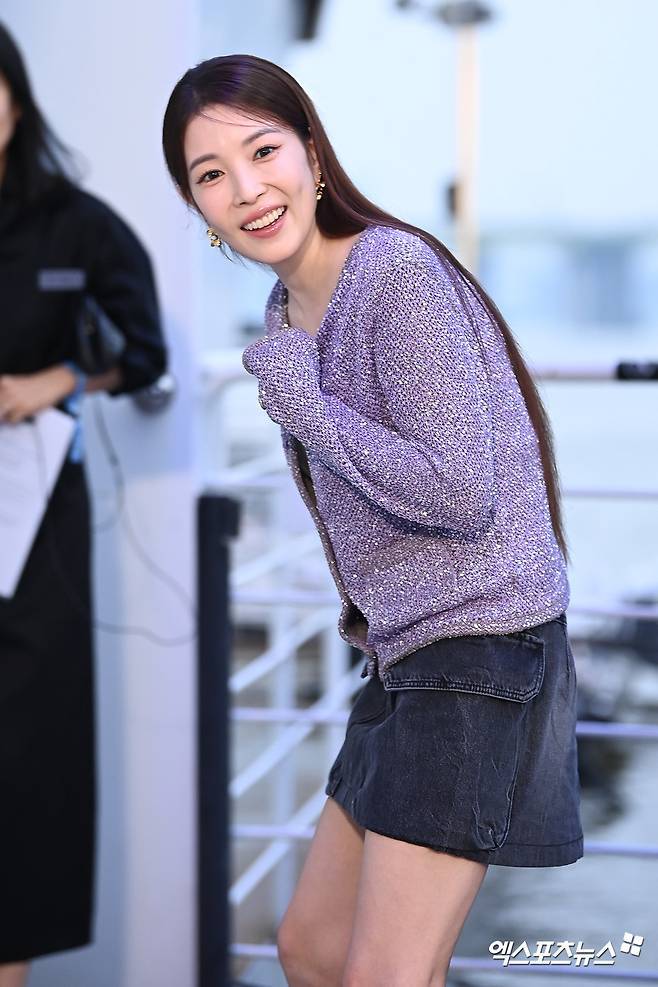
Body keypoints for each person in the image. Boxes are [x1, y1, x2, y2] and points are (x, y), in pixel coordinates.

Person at [162, 53, 582, 987]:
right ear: (199, 209)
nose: (247, 190)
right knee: (310, 947)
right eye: (212, 175)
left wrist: (305, 406)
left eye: (263, 151)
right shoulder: (287, 311)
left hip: (477, 646)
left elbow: (459, 491)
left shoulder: (392, 273)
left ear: (312, 155)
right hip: (403, 654)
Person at [0, 23, 168, 987]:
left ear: (17, 102)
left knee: (26, 753)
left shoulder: (74, 222)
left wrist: (57, 378)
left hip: (33, 515)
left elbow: (142, 350)